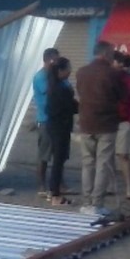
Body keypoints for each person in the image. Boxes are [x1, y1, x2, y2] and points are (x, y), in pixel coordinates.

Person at [75, 41, 125, 215]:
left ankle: (86, 202)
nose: (113, 56)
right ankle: (97, 203)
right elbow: (121, 96)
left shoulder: (81, 72)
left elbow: (81, 93)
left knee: (87, 163)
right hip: (106, 124)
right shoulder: (113, 74)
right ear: (105, 54)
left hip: (86, 122)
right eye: (111, 52)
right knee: (103, 163)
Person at [46, 57, 78, 206]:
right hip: (60, 128)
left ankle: (54, 190)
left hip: (56, 127)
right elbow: (72, 107)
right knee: (58, 160)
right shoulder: (60, 88)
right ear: (60, 70)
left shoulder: (57, 86)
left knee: (59, 160)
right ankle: (55, 195)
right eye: (68, 68)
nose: (70, 71)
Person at [31, 47, 60, 197]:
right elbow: (48, 92)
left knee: (58, 154)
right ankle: (41, 185)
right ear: (49, 60)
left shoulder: (54, 76)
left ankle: (58, 182)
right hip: (45, 120)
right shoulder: (41, 77)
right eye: (55, 59)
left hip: (56, 120)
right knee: (44, 155)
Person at [113, 52, 130, 200]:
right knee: (106, 156)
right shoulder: (106, 78)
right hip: (108, 120)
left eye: (121, 62)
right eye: (118, 62)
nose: (120, 65)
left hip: (123, 121)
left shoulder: (129, 81)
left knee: (124, 154)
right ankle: (110, 186)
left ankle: (129, 188)